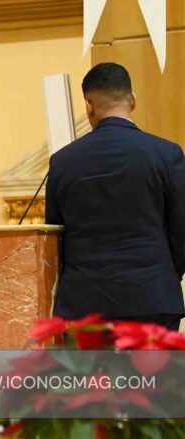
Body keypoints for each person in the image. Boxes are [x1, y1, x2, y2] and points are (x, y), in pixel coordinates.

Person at [45, 62, 185, 331]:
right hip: (152, 298)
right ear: (132, 100)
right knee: (153, 376)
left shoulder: (62, 162)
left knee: (94, 376)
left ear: (88, 105)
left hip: (83, 306)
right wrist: (162, 273)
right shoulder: (167, 155)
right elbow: (181, 232)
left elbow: (55, 239)